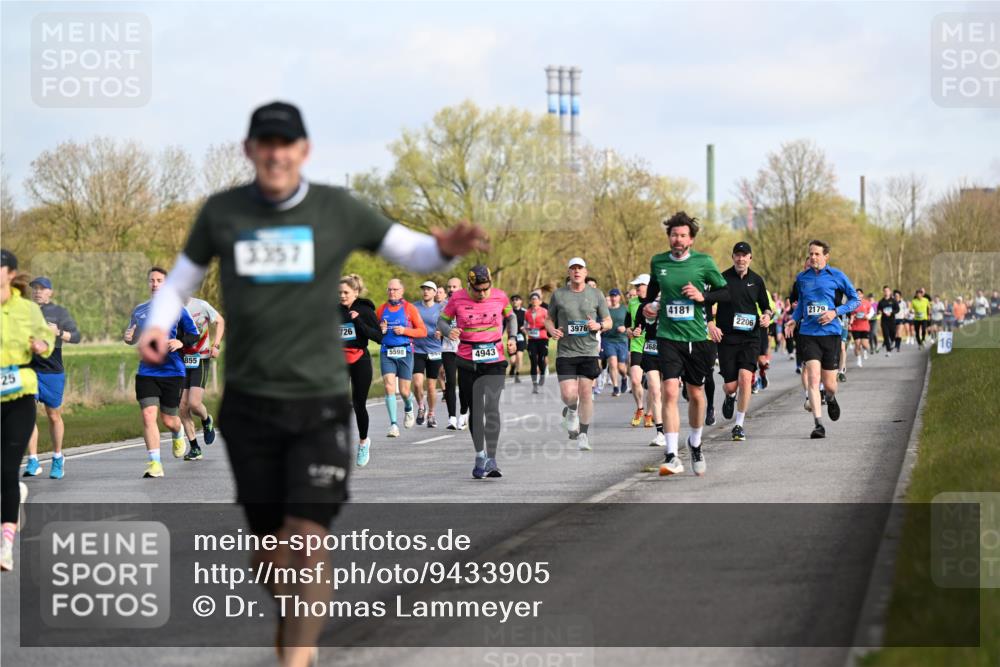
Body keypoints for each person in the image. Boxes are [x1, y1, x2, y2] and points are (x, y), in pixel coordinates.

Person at [139, 101, 486, 666]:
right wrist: (156, 326)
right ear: (251, 150)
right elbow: (179, 282)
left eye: (287, 143)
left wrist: (444, 247)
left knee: (306, 535)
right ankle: (292, 625)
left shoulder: (336, 208)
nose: (276, 153)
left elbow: (409, 248)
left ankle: (297, 659)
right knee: (271, 551)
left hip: (319, 400)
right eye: (265, 143)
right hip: (251, 403)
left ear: (303, 151)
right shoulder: (223, 212)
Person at [640, 212, 729, 476]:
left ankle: (696, 443)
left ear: (690, 239)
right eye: (673, 235)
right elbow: (653, 295)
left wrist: (703, 296)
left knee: (696, 394)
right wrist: (650, 308)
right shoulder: (658, 262)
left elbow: (725, 292)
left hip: (698, 338)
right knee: (668, 391)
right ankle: (671, 455)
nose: (677, 239)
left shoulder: (704, 262)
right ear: (668, 237)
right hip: (668, 336)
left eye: (682, 235)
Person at [1, 250, 55, 572]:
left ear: (9, 274)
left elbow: (47, 339)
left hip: (19, 393)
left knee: (7, 470)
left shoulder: (27, 309)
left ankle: (5, 545)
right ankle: (15, 494)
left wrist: (41, 345)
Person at [439, 265, 517, 478]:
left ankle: (492, 458)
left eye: (486, 289)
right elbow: (442, 321)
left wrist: (512, 337)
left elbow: (511, 317)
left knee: (491, 407)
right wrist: (449, 330)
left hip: (495, 360)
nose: (482, 294)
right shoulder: (457, 299)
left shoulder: (500, 296)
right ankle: (480, 455)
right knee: (476, 409)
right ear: (469, 284)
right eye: (478, 290)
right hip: (466, 361)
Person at [125, 267, 200, 476]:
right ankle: (155, 463)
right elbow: (132, 336)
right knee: (149, 415)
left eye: (159, 280)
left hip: (172, 371)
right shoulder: (140, 310)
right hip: (147, 372)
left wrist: (179, 341)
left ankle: (178, 431)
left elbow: (194, 335)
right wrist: (128, 337)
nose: (155, 284)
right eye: (152, 280)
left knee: (168, 420)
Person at [786, 240, 859, 439]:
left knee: (830, 384)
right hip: (809, 334)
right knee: (812, 378)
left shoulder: (837, 276)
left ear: (826, 256)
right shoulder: (802, 278)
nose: (813, 258)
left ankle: (831, 397)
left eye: (817, 254)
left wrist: (835, 312)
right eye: (811, 254)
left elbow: (855, 300)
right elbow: (802, 302)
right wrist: (793, 320)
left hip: (831, 334)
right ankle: (818, 424)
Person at [545, 257, 612, 452]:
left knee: (586, 393)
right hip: (566, 351)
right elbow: (548, 319)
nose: (576, 271)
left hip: (589, 351)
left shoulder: (596, 294)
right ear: (568, 272)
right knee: (568, 394)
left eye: (580, 268)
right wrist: (551, 330)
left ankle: (583, 434)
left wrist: (598, 325)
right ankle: (572, 412)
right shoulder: (558, 295)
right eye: (573, 268)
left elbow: (608, 321)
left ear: (585, 271)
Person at [712, 242, 772, 442]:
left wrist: (766, 316)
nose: (741, 259)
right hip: (727, 338)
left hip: (750, 337)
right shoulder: (721, 278)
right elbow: (706, 304)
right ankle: (730, 397)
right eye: (737, 255)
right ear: (733, 257)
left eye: (744, 255)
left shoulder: (757, 280)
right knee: (731, 386)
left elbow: (765, 306)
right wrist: (711, 325)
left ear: (750, 258)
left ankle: (739, 424)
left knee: (746, 378)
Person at [23, 276, 80, 479]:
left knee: (53, 415)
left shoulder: (59, 312)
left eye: (42, 288)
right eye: (35, 288)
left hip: (52, 370)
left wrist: (59, 332)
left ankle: (57, 457)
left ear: (50, 292)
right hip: (28, 370)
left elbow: (76, 337)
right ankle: (33, 460)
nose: (38, 291)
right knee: (27, 413)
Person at [339, 274, 382, 467]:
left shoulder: (364, 309)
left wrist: (358, 322)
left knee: (358, 403)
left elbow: (378, 337)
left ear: (355, 292)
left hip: (360, 359)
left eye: (346, 292)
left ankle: (364, 442)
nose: (342, 296)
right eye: (339, 292)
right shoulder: (334, 310)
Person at [377, 279, 427, 437]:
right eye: (390, 289)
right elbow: (372, 330)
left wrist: (405, 330)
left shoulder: (409, 309)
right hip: (387, 352)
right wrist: (380, 329)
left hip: (405, 352)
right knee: (389, 387)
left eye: (395, 289)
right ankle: (393, 425)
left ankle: (409, 407)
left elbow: (422, 331)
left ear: (402, 291)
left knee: (405, 391)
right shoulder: (381, 309)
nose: (392, 292)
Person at [178, 295, 224, 462]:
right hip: (181, 361)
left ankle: (206, 419)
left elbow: (220, 321)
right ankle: (195, 448)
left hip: (201, 359)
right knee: (182, 407)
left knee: (194, 403)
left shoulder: (201, 305)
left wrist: (216, 345)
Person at [412, 280, 444, 428]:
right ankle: (421, 407)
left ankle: (431, 414)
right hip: (417, 349)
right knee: (418, 383)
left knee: (431, 386)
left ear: (434, 292)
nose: (425, 291)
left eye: (429, 289)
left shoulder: (441, 308)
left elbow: (448, 325)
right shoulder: (414, 307)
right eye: (424, 289)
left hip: (435, 351)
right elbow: (408, 323)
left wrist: (442, 332)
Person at [440, 277, 468, 429]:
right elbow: (439, 324)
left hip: (464, 349)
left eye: (454, 287)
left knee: (464, 383)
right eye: (449, 287)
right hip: (448, 348)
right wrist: (440, 332)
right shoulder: (443, 306)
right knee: (450, 382)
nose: (451, 289)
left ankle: (463, 414)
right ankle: (451, 418)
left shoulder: (467, 304)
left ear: (461, 288)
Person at [624, 274, 651, 427]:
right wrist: (629, 331)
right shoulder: (632, 302)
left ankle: (650, 413)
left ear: (647, 286)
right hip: (636, 344)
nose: (636, 289)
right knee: (635, 380)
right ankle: (640, 408)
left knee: (654, 385)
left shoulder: (656, 303)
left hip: (654, 345)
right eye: (635, 286)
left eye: (639, 285)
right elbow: (627, 323)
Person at [602, 288, 629, 398]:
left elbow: (631, 322)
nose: (613, 298)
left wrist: (625, 327)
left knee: (621, 367)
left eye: (616, 296)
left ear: (619, 297)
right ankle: (616, 388)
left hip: (622, 340)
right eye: (612, 296)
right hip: (609, 340)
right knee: (612, 364)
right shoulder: (605, 310)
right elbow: (601, 322)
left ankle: (624, 377)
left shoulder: (624, 309)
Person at [524, 291, 550, 394]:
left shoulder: (544, 311)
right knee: (533, 361)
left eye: (536, 299)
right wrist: (525, 329)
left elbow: (549, 323)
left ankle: (542, 374)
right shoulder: (527, 312)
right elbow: (525, 324)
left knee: (541, 360)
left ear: (540, 301)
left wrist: (543, 326)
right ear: (530, 301)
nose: (534, 301)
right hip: (532, 339)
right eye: (532, 299)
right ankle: (535, 385)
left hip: (543, 338)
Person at [848, 289, 873, 367]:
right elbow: (850, 314)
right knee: (857, 344)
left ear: (862, 295)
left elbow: (872, 312)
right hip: (855, 327)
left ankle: (865, 350)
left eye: (860, 293)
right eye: (857, 293)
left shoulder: (866, 302)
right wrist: (851, 321)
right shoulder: (852, 303)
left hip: (865, 327)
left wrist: (867, 316)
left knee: (865, 344)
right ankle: (859, 360)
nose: (858, 295)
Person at [509, 294, 527, 383]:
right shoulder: (509, 312)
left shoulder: (525, 312)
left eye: (516, 299)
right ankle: (512, 367)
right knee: (512, 360)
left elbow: (531, 322)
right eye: (513, 300)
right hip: (511, 338)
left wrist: (526, 328)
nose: (514, 301)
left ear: (521, 301)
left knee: (519, 356)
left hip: (521, 337)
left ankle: (517, 374)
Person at [877, 286, 899, 356]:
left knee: (893, 333)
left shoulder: (893, 301)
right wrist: (879, 312)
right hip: (884, 321)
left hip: (892, 320)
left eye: (887, 291)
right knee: (886, 335)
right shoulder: (881, 302)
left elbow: (897, 309)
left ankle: (893, 341)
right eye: (885, 291)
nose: (886, 292)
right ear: (883, 292)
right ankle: (888, 351)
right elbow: (878, 310)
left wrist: (891, 312)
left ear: (890, 292)